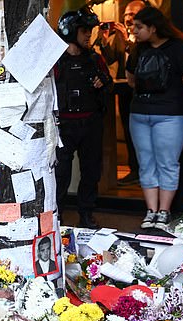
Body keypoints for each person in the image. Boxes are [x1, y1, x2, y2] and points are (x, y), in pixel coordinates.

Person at [126, 6, 183, 229]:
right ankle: (151, 211)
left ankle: (164, 211)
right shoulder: (138, 50)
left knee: (167, 163)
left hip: (171, 115)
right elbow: (129, 78)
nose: (134, 31)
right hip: (139, 114)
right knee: (146, 163)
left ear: (153, 28)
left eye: (139, 27)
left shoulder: (181, 49)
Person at [55, 7, 113, 229]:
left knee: (91, 171)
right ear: (70, 31)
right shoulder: (56, 62)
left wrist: (103, 83)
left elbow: (108, 85)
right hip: (64, 126)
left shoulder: (95, 59)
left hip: (91, 124)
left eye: (90, 31)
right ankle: (57, 215)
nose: (89, 35)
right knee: (61, 174)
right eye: (84, 31)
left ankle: (86, 214)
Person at [94, 0, 146, 187]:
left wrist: (127, 40)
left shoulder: (143, 38)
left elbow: (137, 60)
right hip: (124, 89)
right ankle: (134, 169)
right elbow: (110, 59)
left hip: (142, 91)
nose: (128, 18)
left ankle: (144, 170)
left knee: (141, 133)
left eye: (133, 14)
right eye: (126, 15)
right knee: (129, 130)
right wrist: (105, 39)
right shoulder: (121, 36)